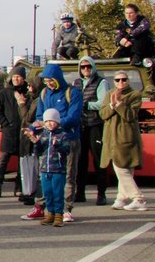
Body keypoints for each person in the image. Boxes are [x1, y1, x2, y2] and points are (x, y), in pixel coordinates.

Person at [25, 64, 82, 222]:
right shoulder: (44, 94)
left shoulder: (73, 92)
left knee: (69, 175)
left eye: (51, 80)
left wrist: (51, 123)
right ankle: (43, 207)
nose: (49, 83)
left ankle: (66, 209)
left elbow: (73, 117)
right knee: (44, 174)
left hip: (68, 139)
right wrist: (33, 129)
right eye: (46, 81)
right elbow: (39, 116)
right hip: (46, 140)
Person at [102, 72, 147, 211]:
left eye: (123, 79)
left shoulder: (135, 95)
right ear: (114, 81)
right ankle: (121, 197)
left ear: (128, 81)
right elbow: (102, 114)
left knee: (121, 167)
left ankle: (138, 198)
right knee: (123, 168)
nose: (120, 82)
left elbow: (131, 115)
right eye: (117, 79)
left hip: (126, 137)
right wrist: (111, 105)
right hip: (110, 136)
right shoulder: (109, 93)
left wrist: (119, 105)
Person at [74, 57, 110, 207]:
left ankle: (101, 194)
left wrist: (86, 104)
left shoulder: (101, 82)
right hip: (80, 126)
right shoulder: (76, 83)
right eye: (83, 67)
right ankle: (80, 192)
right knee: (80, 160)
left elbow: (103, 102)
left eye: (88, 66)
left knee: (98, 160)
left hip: (95, 125)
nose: (86, 69)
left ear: (93, 67)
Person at [26, 109, 71, 227]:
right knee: (47, 193)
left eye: (53, 121)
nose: (50, 123)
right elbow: (38, 152)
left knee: (57, 193)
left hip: (58, 169)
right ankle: (50, 214)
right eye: (47, 121)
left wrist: (58, 146)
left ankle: (58, 215)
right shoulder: (44, 135)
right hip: (45, 169)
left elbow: (66, 150)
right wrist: (35, 142)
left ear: (57, 121)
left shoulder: (63, 135)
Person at [0, 67, 28, 198]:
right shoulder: (4, 93)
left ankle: (18, 187)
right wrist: (5, 124)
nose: (16, 79)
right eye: (14, 77)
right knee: (2, 160)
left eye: (18, 77)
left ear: (23, 78)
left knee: (21, 162)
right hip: (9, 131)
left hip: (23, 132)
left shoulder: (28, 93)